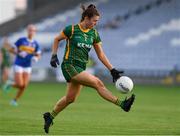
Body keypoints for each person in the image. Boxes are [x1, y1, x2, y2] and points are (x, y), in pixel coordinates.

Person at [43, 4, 135, 133]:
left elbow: (100, 55)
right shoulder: (72, 29)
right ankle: (122, 104)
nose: (95, 24)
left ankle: (50, 116)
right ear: (86, 18)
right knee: (98, 83)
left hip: (81, 68)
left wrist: (112, 69)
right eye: (94, 21)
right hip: (69, 66)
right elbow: (57, 39)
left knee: (70, 99)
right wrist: (53, 55)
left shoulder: (94, 34)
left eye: (97, 21)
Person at [3, 24, 41, 106]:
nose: (31, 32)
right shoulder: (21, 40)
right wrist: (19, 52)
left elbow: (38, 54)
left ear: (35, 32)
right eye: (30, 30)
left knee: (24, 86)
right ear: (27, 31)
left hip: (27, 66)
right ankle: (10, 84)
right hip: (18, 64)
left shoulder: (36, 44)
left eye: (33, 30)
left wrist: (36, 58)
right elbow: (10, 50)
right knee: (20, 84)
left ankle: (14, 100)